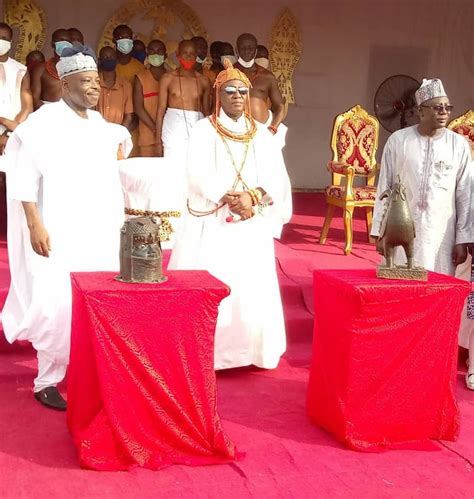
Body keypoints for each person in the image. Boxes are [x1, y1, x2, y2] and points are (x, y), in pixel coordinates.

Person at [2, 45, 130, 410]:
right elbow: (22, 175)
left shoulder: (99, 124)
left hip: (99, 228)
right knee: (56, 299)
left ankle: (92, 371)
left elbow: (116, 143)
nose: (95, 89)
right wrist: (34, 224)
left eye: (96, 83)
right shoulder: (42, 124)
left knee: (96, 297)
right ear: (67, 83)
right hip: (58, 227)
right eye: (87, 82)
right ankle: (47, 379)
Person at [168, 60, 292, 370]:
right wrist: (228, 196)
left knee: (249, 288)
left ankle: (249, 352)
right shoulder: (202, 130)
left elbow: (276, 177)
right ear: (218, 95)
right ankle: (209, 354)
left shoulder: (262, 134)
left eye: (242, 91)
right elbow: (195, 172)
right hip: (213, 222)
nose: (237, 96)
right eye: (230, 91)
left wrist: (252, 198)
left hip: (251, 222)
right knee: (215, 282)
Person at [155, 40, 210, 163]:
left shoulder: (203, 81)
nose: (188, 57)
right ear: (177, 54)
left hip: (196, 125)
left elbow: (207, 113)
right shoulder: (168, 78)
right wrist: (158, 141)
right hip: (172, 127)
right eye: (185, 53)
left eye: (192, 53)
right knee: (172, 166)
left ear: (196, 56)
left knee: (195, 165)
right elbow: (160, 111)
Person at [235, 33, 284, 134]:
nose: (247, 51)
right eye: (243, 48)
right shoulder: (226, 74)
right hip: (232, 132)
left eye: (250, 48)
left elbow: (280, 106)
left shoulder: (267, 77)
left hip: (261, 132)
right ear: (236, 50)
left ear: (256, 51)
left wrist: (273, 128)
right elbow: (216, 107)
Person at [0, 22, 33, 155]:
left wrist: (8, 132)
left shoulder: (21, 70)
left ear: (11, 41)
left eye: (5, 39)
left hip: (13, 132)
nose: (1, 41)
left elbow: (27, 107)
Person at [133, 39, 167, 156]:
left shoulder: (172, 77)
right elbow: (138, 108)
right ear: (147, 55)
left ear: (166, 55)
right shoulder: (140, 77)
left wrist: (162, 130)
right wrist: (156, 129)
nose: (156, 54)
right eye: (152, 51)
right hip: (147, 136)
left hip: (168, 135)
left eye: (159, 51)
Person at [31, 28, 72, 109]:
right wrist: (51, 114)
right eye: (60, 40)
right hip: (46, 115)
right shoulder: (40, 69)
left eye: (67, 41)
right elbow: (34, 98)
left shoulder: (77, 69)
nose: (64, 43)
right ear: (52, 44)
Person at [97, 46, 133, 130]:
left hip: (118, 137)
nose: (108, 59)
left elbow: (128, 116)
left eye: (111, 57)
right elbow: (88, 113)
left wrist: (118, 136)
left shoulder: (125, 85)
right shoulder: (93, 83)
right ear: (99, 61)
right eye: (105, 57)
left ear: (116, 60)